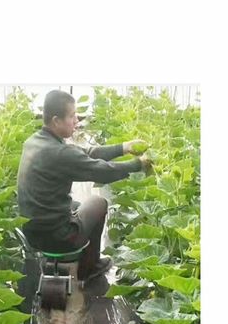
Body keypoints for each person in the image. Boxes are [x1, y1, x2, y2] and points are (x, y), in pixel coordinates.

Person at [16, 91, 153, 279]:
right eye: (72, 116)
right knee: (98, 203)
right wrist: (138, 164)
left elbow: (88, 153)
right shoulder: (59, 153)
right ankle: (90, 267)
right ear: (56, 121)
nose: (77, 120)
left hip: (31, 232)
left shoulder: (35, 142)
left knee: (78, 206)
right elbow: (102, 171)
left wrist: (124, 147)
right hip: (56, 238)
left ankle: (82, 259)